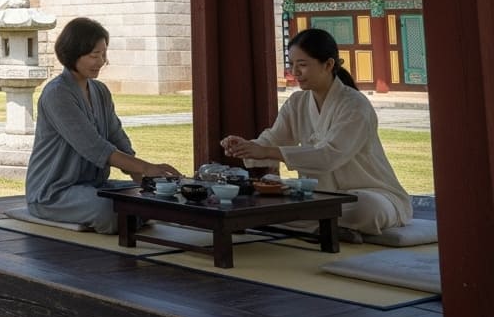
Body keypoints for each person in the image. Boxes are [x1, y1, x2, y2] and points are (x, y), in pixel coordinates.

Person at [221, 28, 412, 236]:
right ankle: (327, 227)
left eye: (302, 65)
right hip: (317, 195)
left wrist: (267, 152)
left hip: (371, 193)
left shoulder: (354, 105)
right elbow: (273, 139)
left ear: (328, 65)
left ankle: (298, 224)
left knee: (366, 209)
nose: (295, 72)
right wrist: (247, 147)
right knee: (270, 192)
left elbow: (329, 156)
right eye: (292, 64)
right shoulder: (297, 103)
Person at [25, 17, 181, 233]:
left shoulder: (100, 91)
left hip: (93, 186)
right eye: (94, 55)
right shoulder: (57, 94)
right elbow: (94, 147)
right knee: (112, 210)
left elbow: (117, 138)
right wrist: (146, 167)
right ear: (73, 53)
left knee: (149, 198)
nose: (101, 61)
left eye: (103, 54)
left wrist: (145, 179)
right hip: (55, 191)